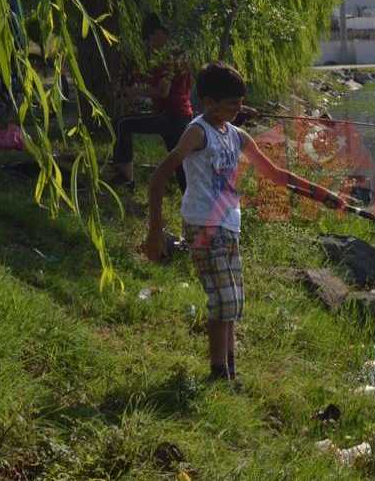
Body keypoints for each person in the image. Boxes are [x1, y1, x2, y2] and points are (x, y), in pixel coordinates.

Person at [143, 62, 353, 383]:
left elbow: (276, 174)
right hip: (202, 225)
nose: (238, 109)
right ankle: (218, 374)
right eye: (231, 104)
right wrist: (154, 234)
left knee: (234, 303)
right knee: (222, 301)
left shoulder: (236, 135)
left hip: (229, 226)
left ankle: (229, 371)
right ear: (209, 102)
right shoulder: (197, 132)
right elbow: (158, 178)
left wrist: (325, 195)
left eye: (241, 103)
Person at [110, 14, 193, 190]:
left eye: (149, 38)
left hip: (171, 116)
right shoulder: (177, 53)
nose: (149, 44)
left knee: (122, 123)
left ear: (158, 33)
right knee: (179, 164)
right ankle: (193, 200)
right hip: (181, 115)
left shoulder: (169, 56)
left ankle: (126, 178)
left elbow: (163, 91)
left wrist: (135, 92)